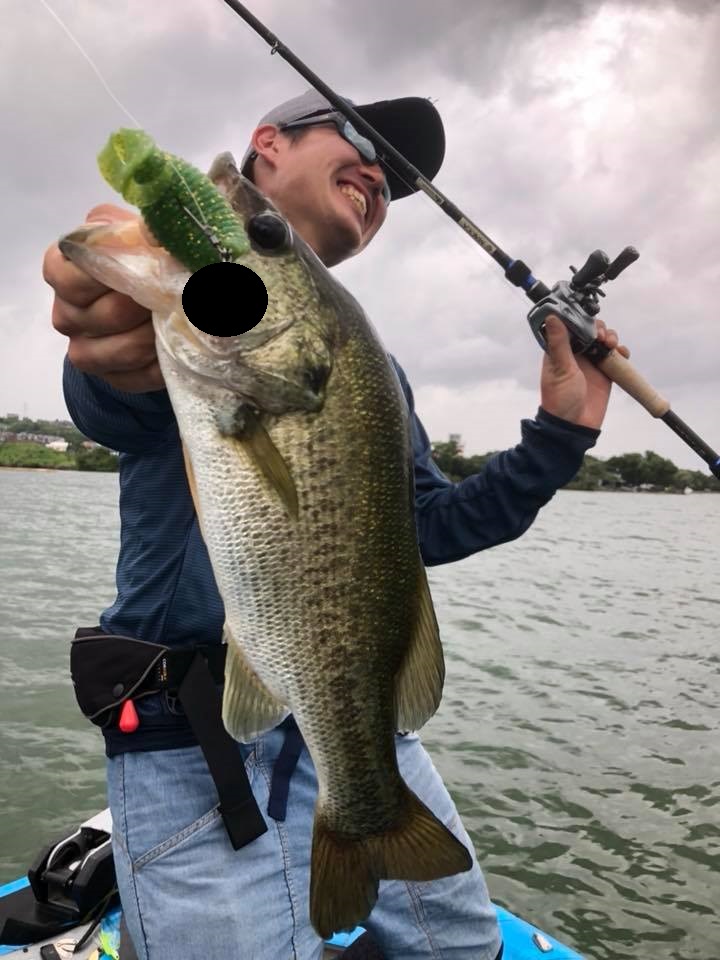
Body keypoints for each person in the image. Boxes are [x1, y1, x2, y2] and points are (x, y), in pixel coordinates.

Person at [43, 90, 628, 960]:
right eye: (361, 141)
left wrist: (561, 434)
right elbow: (116, 401)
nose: (381, 178)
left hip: (361, 725)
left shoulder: (368, 367)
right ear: (268, 142)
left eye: (398, 182)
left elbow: (429, 527)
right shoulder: (199, 325)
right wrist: (108, 336)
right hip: (190, 733)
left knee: (463, 947)